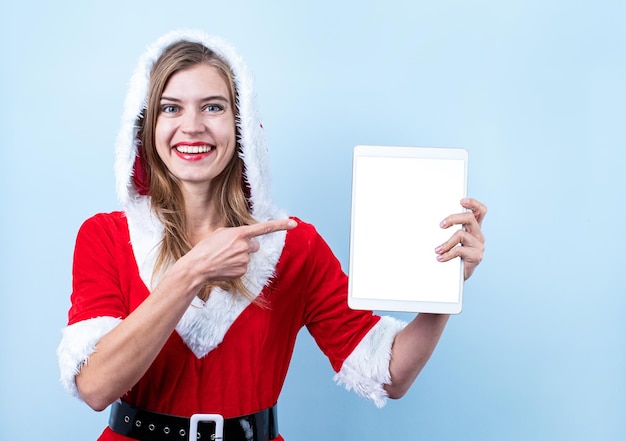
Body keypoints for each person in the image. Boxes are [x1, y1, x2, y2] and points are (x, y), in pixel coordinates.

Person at [57, 29, 487, 441]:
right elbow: (95, 387)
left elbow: (388, 374)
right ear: (147, 126)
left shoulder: (294, 246)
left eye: (213, 107)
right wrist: (192, 272)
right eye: (171, 108)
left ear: (243, 124)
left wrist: (443, 286)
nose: (191, 126)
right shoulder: (107, 237)